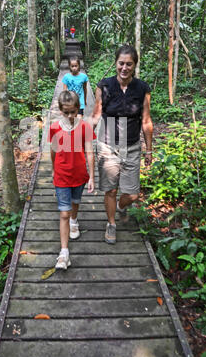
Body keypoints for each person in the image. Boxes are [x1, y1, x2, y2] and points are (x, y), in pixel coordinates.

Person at [90, 44, 153, 244]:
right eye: (121, 63)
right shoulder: (104, 86)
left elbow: (146, 120)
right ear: (115, 63)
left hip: (133, 145)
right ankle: (111, 223)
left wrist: (149, 149)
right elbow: (96, 115)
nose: (124, 68)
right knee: (110, 190)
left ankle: (122, 207)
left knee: (132, 193)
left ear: (134, 66)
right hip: (108, 145)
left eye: (129, 64)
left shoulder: (142, 88)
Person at [49, 90, 96, 270]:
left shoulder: (85, 127)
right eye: (66, 112)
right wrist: (53, 169)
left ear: (78, 109)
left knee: (75, 202)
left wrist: (91, 176)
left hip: (79, 174)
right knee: (63, 212)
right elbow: (53, 150)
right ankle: (64, 253)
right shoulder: (55, 127)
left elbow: (90, 151)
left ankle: (74, 221)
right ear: (61, 110)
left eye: (73, 112)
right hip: (61, 175)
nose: (70, 116)